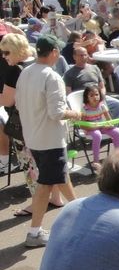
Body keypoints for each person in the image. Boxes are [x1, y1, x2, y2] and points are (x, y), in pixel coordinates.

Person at [15, 35, 82, 247]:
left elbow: (18, 104)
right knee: (46, 183)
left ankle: (83, 214)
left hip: (34, 137)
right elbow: (57, 112)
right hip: (50, 139)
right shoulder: (51, 77)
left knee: (59, 177)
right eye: (58, 51)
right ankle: (34, 232)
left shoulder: (25, 72)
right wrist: (76, 113)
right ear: (53, 51)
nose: (60, 54)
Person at [78, 84, 119, 171]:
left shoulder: (102, 106)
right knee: (97, 135)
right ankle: (96, 161)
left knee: (116, 132)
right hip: (90, 128)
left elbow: (109, 120)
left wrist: (109, 125)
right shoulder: (85, 109)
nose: (95, 97)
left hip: (101, 126)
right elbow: (82, 125)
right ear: (86, 98)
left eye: (96, 94)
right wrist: (90, 128)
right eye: (91, 95)